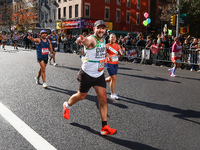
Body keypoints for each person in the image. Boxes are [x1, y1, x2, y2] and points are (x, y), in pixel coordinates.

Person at [62, 20, 117, 136]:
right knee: (81, 96)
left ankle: (104, 127)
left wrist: (106, 55)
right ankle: (67, 106)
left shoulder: (103, 39)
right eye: (98, 28)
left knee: (103, 99)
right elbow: (87, 42)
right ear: (94, 29)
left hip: (99, 75)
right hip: (87, 74)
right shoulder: (92, 39)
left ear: (105, 30)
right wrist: (83, 41)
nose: (101, 30)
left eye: (103, 28)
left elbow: (100, 51)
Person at [105, 33, 124, 100]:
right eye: (112, 37)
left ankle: (101, 82)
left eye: (114, 37)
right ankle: (113, 93)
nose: (113, 38)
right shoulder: (107, 45)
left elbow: (121, 55)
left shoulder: (117, 46)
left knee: (111, 78)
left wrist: (122, 51)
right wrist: (107, 54)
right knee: (114, 78)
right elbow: (103, 53)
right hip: (109, 63)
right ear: (109, 38)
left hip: (116, 63)